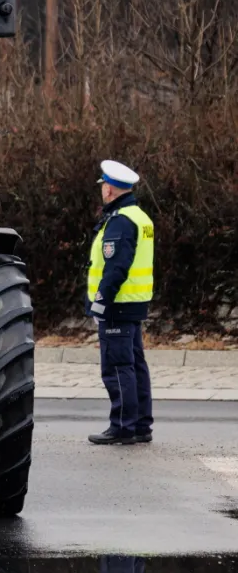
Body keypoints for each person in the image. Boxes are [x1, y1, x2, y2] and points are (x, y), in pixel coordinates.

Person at [86, 160, 155, 446]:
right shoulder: (140, 217)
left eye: (104, 185)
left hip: (117, 304)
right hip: (133, 302)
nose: (102, 189)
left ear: (111, 189)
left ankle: (123, 426)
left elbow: (116, 267)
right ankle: (140, 425)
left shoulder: (121, 221)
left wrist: (100, 303)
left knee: (117, 367)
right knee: (134, 364)